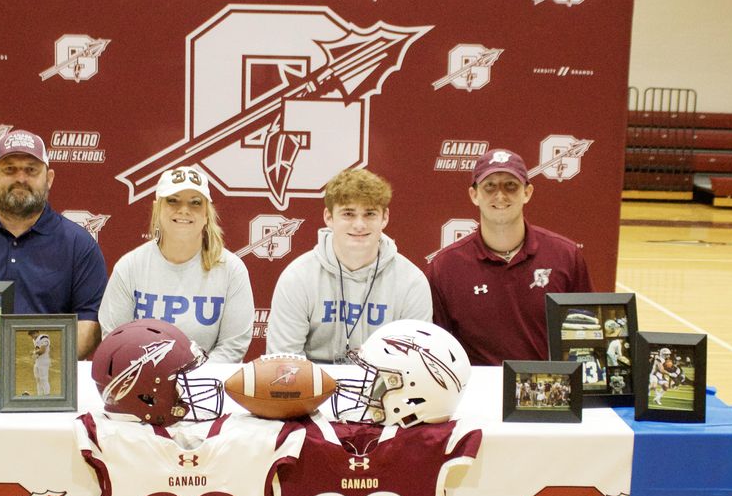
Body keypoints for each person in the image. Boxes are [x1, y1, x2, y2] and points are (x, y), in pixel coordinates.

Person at [0, 129, 108, 359]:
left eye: (31, 170)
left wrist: (43, 364)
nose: (21, 178)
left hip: (48, 377)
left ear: (49, 178)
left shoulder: (80, 245)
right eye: (9, 169)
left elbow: (89, 323)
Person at [428, 148, 593, 365]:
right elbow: (435, 346)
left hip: (545, 390)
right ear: (474, 195)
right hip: (477, 391)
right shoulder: (445, 267)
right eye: (490, 186)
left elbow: (586, 331)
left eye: (511, 186)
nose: (500, 196)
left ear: (528, 192)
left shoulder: (565, 255)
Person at [265, 168, 432, 364]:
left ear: (384, 217)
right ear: (328, 217)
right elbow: (284, 360)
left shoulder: (411, 281)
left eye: (369, 214)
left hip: (385, 388)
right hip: (314, 388)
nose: (359, 224)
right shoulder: (298, 277)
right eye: (348, 214)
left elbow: (415, 362)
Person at [98, 165, 254, 362]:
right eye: (173, 201)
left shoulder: (231, 269)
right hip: (141, 386)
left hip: (206, 387)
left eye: (195, 203)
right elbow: (114, 342)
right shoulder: (130, 267)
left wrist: (191, 381)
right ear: (157, 209)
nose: (184, 210)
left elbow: (232, 347)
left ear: (207, 214)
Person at [30, 330, 52, 396]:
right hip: (38, 361)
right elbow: (37, 349)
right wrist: (35, 355)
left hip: (44, 361)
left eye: (33, 333)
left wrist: (34, 353)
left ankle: (47, 395)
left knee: (44, 379)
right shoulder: (34, 340)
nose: (32, 336)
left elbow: (42, 350)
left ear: (37, 332)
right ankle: (39, 395)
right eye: (31, 334)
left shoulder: (44, 338)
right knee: (38, 379)